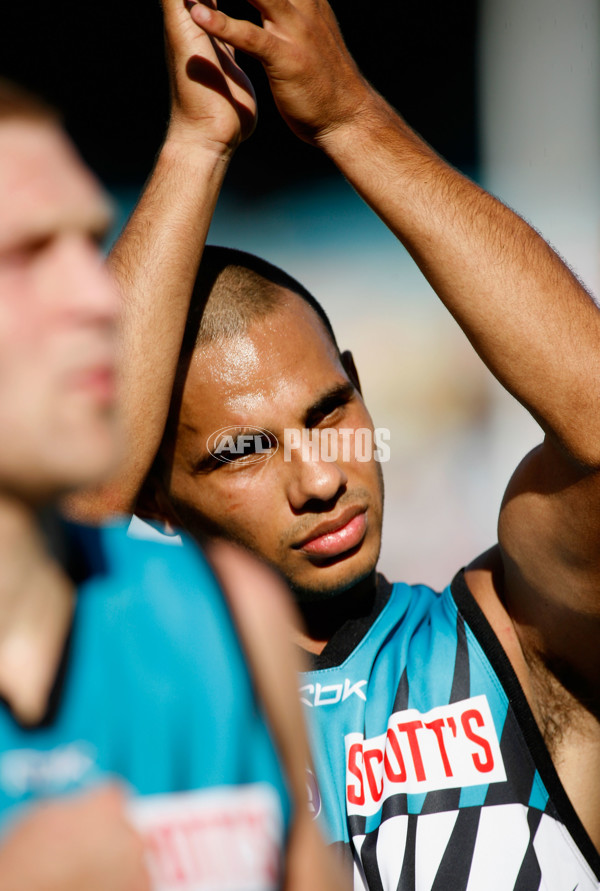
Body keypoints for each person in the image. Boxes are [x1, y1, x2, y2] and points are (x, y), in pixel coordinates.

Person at [70, 0, 600, 888]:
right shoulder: (140, 695)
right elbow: (56, 516)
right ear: (153, 495)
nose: (320, 478)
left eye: (329, 412)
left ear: (358, 379)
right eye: (243, 451)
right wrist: (194, 149)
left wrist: (353, 119)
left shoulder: (522, 638)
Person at [0, 20, 346, 891]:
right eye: (31, 254)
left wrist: (200, 142)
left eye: (92, 241)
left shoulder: (231, 621)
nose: (95, 296)